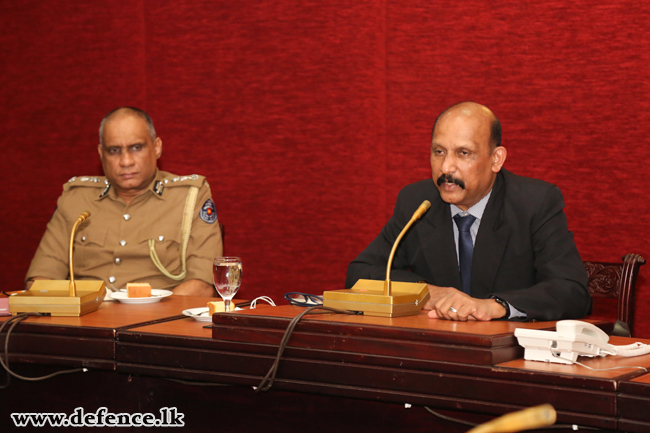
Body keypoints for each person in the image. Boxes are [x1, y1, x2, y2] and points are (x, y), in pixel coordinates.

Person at [346, 102, 591, 321]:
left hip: (510, 352)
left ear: (496, 159)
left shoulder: (534, 202)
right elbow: (360, 274)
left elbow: (571, 290)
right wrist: (426, 292)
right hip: (436, 349)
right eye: (438, 151)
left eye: (463, 153)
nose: (446, 167)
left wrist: (496, 306)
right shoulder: (418, 202)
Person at [25, 107, 223, 296]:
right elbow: (41, 279)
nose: (126, 161)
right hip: (85, 321)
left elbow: (202, 286)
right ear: (101, 154)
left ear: (157, 148)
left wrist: (146, 318)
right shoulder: (76, 198)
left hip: (155, 323)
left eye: (136, 148)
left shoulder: (189, 197)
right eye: (114, 150)